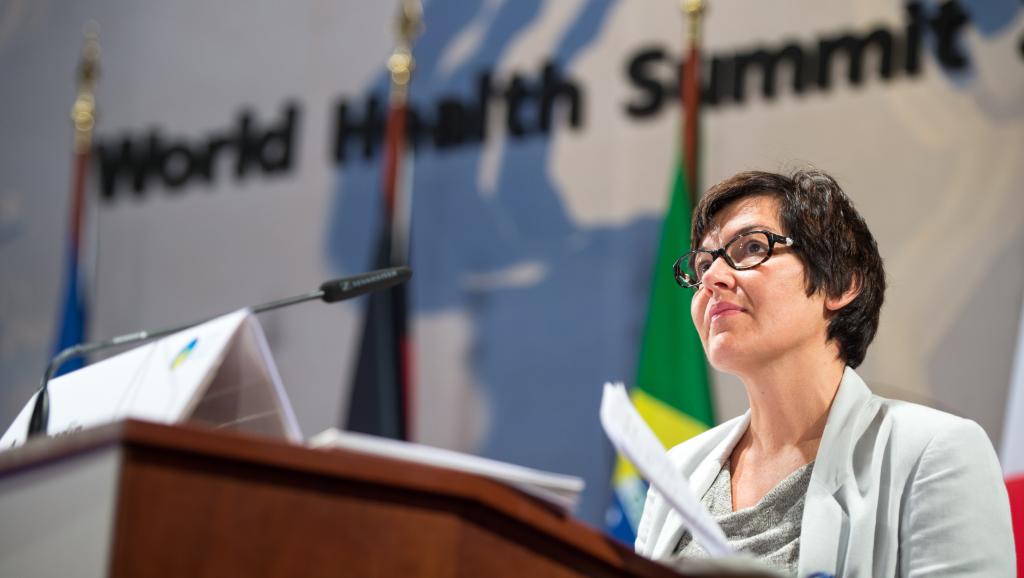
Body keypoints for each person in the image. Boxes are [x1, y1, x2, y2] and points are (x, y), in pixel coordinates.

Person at [633, 169, 1015, 577]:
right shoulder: (678, 471)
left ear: (841, 284)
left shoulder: (935, 452)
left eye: (750, 247)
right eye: (703, 264)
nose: (711, 278)